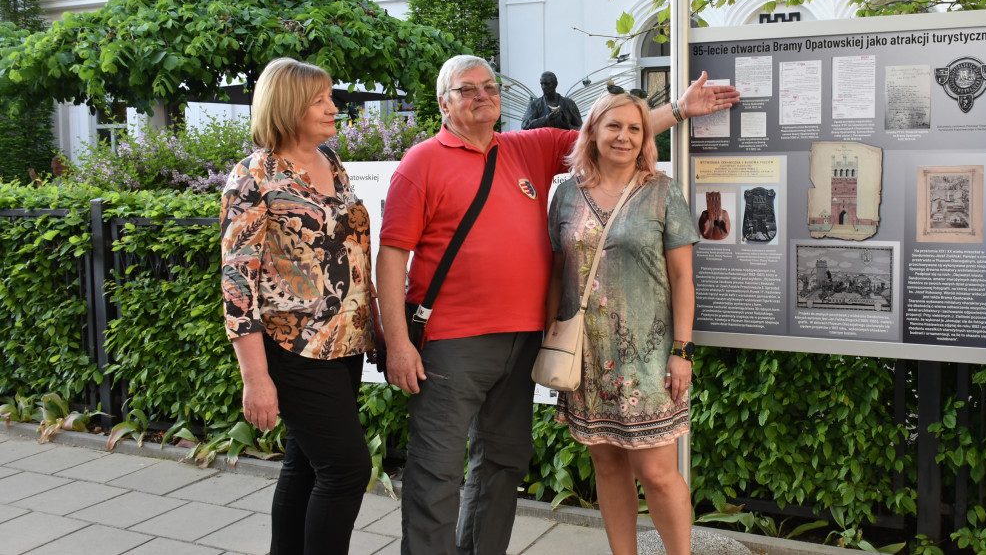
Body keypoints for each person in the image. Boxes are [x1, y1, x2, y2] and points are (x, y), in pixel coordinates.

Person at [376, 54, 737, 555]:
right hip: (453, 343)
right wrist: (397, 341)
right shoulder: (422, 161)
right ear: (444, 102)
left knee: (501, 464)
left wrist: (678, 109)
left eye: (489, 86)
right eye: (467, 89)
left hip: (524, 342)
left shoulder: (527, 149)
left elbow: (610, 135)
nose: (482, 95)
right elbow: (391, 256)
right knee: (436, 471)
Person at [220, 57, 379, 555]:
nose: (334, 107)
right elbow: (236, 284)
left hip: (344, 344)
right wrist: (255, 378)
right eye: (320, 100)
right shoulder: (253, 176)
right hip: (294, 346)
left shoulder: (329, 161)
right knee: (346, 470)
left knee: (305, 464)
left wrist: (371, 323)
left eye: (332, 96)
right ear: (288, 106)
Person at [546, 87, 698, 555]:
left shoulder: (661, 190)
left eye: (635, 128)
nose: (625, 137)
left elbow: (682, 278)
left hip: (648, 360)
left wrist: (682, 351)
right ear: (592, 132)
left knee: (656, 472)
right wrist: (551, 342)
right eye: (614, 126)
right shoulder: (567, 194)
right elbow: (557, 273)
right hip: (587, 359)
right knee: (608, 468)